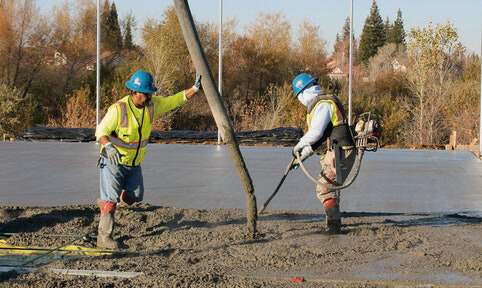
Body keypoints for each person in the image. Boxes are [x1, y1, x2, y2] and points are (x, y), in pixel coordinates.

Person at [95, 70, 202, 249]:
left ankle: (109, 198)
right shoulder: (118, 110)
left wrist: (194, 89)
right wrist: (108, 146)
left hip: (134, 163)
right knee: (110, 203)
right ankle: (104, 238)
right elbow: (100, 131)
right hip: (113, 162)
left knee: (135, 196)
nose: (149, 97)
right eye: (146, 93)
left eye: (151, 93)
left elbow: (173, 101)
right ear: (134, 92)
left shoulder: (151, 106)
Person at [291, 73, 356, 234]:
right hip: (334, 152)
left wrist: (298, 146)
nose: (299, 100)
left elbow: (316, 133)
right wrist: (301, 158)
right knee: (329, 189)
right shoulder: (318, 105)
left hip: (341, 151)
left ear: (303, 92)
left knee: (325, 189)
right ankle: (333, 222)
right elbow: (318, 142)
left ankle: (334, 228)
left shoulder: (323, 104)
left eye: (298, 96)